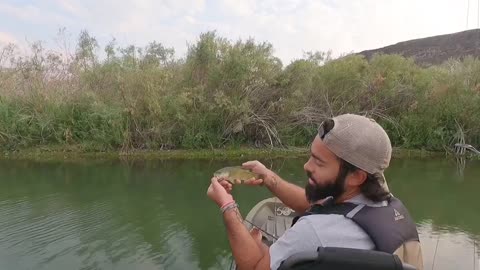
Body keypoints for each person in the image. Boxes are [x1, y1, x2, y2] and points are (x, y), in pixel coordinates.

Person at [207, 113, 423, 270]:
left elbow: (254, 267)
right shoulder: (388, 207)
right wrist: (269, 178)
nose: (307, 166)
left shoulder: (313, 231)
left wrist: (227, 206)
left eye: (319, 162)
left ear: (357, 176)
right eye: (311, 156)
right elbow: (321, 207)